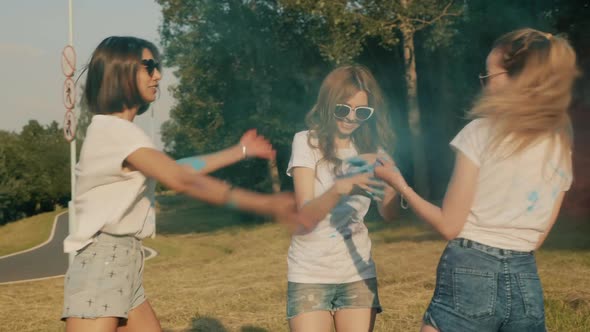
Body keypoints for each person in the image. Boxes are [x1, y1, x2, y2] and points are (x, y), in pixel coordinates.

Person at [61, 36, 300, 332]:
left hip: (123, 262)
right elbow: (180, 179)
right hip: (104, 262)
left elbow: (176, 169)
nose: (158, 75)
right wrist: (265, 203)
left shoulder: (120, 133)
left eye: (157, 66)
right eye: (148, 67)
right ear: (120, 73)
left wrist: (239, 151)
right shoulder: (114, 131)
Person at [374, 28, 579, 331]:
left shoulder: (480, 133)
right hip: (526, 276)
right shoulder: (561, 144)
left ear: (518, 78)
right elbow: (538, 236)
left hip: (471, 270)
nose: (484, 86)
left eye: (489, 77)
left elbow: (449, 224)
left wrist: (398, 184)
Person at [286, 64, 399, 332]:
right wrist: (341, 187)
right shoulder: (306, 142)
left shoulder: (373, 151)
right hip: (310, 273)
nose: (350, 118)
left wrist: (393, 179)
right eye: (342, 109)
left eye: (361, 112)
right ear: (328, 103)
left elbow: (390, 215)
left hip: (358, 274)